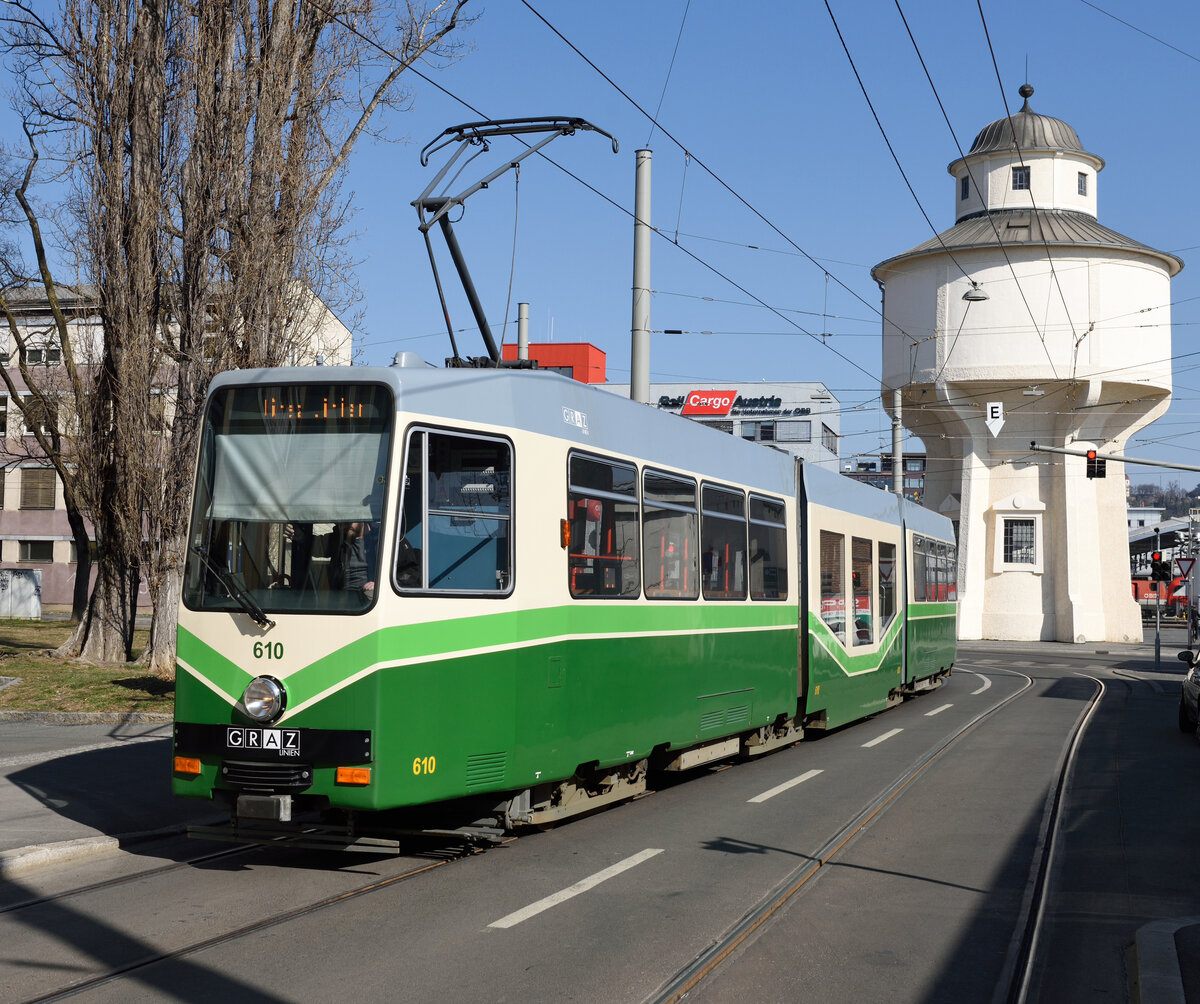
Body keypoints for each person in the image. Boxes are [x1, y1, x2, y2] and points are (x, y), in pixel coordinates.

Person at [334, 521, 376, 597]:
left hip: (370, 596)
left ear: (362, 519)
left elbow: (398, 573)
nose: (347, 523)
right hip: (342, 596)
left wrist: (379, 584)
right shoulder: (338, 540)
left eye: (351, 520)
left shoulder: (381, 539)